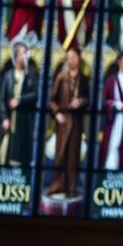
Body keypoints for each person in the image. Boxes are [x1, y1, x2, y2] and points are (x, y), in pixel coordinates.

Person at [46, 49, 90, 198]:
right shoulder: (61, 77)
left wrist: (80, 102)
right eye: (68, 57)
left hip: (76, 122)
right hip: (63, 120)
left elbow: (88, 100)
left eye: (73, 57)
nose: (70, 60)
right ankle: (58, 185)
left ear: (79, 58)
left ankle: (71, 187)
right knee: (60, 155)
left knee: (73, 156)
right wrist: (57, 112)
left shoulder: (84, 79)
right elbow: (52, 100)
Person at [0, 41, 38, 166]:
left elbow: (35, 95)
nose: (25, 56)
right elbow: (2, 99)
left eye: (26, 53)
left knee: (19, 151)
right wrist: (4, 118)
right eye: (23, 53)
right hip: (9, 118)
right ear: (17, 56)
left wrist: (19, 101)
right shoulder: (8, 76)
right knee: (5, 149)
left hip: (23, 120)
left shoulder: (30, 76)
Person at [99, 52, 123, 170]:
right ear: (119, 63)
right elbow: (105, 101)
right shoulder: (112, 80)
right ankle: (110, 168)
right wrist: (117, 105)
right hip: (114, 118)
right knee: (113, 144)